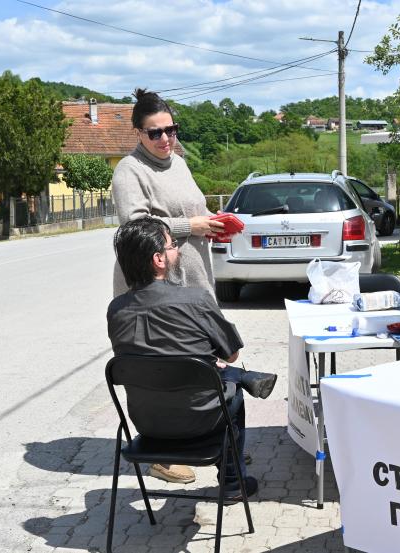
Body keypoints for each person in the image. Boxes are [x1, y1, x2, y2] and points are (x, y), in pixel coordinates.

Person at [107, 217, 277, 494]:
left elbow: (141, 359)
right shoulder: (195, 299)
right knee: (232, 387)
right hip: (202, 421)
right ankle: (233, 482)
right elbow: (232, 353)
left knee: (214, 374)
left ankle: (234, 378)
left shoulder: (116, 309)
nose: (179, 250)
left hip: (147, 422)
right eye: (174, 245)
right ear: (159, 259)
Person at [111, 88, 225, 298]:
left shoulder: (178, 162)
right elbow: (134, 225)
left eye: (171, 130)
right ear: (138, 133)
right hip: (156, 291)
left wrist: (213, 222)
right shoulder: (130, 168)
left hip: (193, 278)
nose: (165, 138)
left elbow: (191, 208)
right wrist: (191, 226)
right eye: (155, 133)